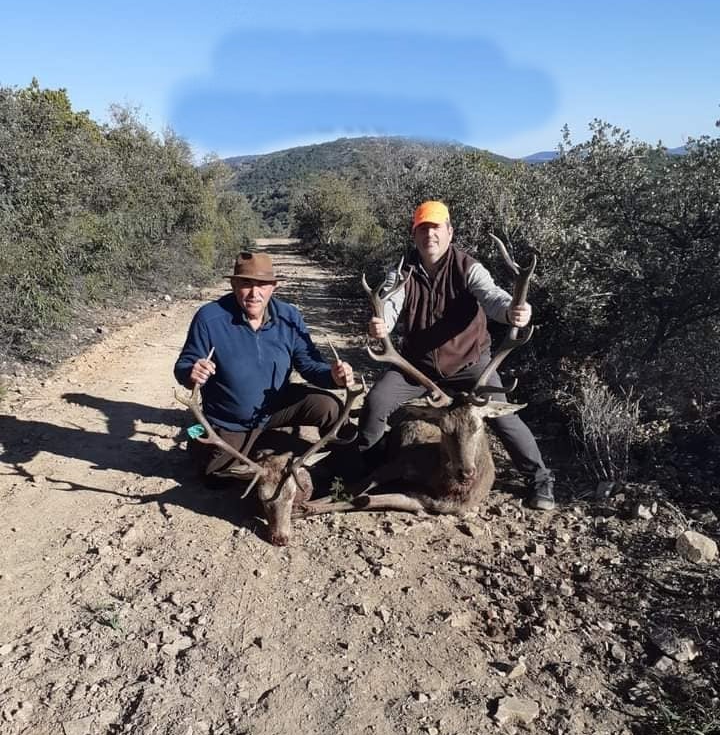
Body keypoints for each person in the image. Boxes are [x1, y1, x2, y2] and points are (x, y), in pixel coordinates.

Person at [355, 200, 555, 511]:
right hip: (418, 368)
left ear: (449, 232)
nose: (429, 235)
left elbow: (492, 296)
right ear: (414, 235)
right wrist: (381, 325)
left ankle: (540, 480)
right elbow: (390, 305)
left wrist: (513, 310)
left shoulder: (468, 267)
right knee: (376, 402)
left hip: (469, 365)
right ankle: (365, 470)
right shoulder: (401, 273)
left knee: (503, 417)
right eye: (423, 229)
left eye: (435, 228)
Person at [174, 251, 353, 480]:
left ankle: (349, 473)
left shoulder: (289, 316)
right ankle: (203, 438)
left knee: (330, 407)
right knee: (216, 476)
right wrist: (192, 371)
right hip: (230, 419)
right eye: (246, 284)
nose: (254, 293)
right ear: (233, 284)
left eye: (262, 285)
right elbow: (184, 366)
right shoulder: (210, 318)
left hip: (276, 406)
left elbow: (309, 364)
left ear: (273, 287)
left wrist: (332, 376)